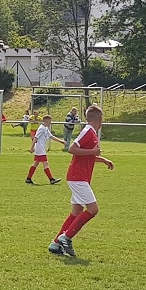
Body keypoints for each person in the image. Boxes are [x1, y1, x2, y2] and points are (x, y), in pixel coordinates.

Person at [48, 105, 114, 258]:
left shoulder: (91, 132)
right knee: (93, 210)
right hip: (78, 177)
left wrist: (102, 159)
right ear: (100, 119)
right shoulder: (87, 131)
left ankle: (56, 244)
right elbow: (72, 149)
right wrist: (93, 152)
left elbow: (86, 155)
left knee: (76, 212)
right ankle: (66, 237)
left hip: (78, 177)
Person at [27, 115, 64, 185]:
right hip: (40, 149)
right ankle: (51, 179)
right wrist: (31, 147)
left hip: (41, 148)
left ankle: (28, 178)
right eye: (50, 121)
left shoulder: (45, 128)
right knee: (45, 163)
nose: (50, 123)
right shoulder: (41, 128)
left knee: (36, 163)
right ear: (46, 121)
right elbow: (35, 138)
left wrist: (61, 141)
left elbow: (51, 136)